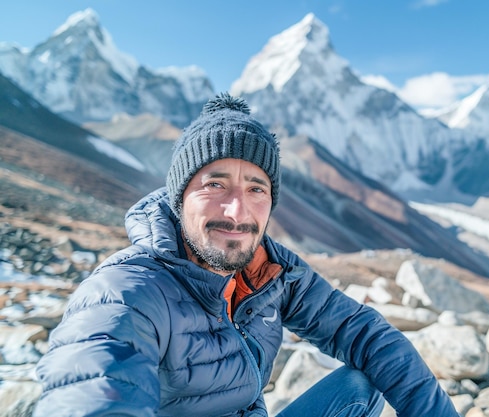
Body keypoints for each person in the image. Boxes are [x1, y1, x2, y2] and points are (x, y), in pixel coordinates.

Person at [34, 93, 460, 417]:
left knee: (361, 386)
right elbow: (94, 388)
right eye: (214, 185)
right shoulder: (130, 290)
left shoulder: (270, 272)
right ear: (179, 197)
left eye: (256, 188)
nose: (237, 212)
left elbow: (365, 333)